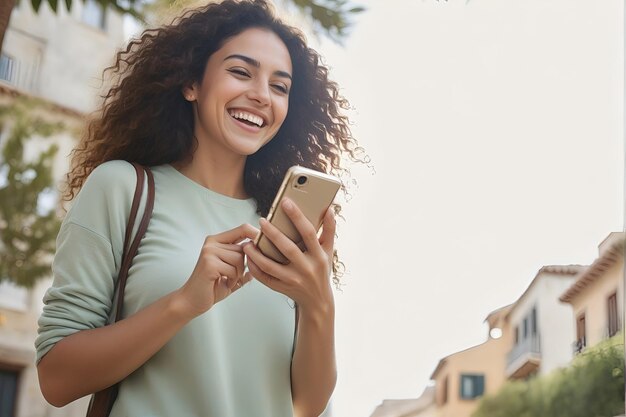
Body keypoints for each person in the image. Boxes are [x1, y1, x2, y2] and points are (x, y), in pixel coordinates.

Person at [35, 0, 362, 416]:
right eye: (241, 72)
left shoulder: (282, 226)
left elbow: (306, 405)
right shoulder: (123, 188)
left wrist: (319, 304)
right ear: (192, 83)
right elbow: (56, 378)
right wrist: (183, 303)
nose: (262, 95)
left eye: (280, 86)